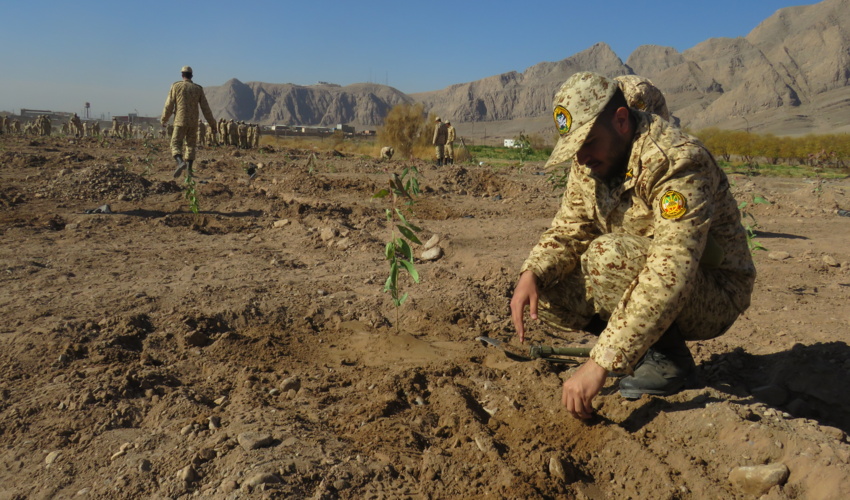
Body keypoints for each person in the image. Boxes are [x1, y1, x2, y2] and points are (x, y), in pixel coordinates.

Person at [509, 72, 755, 419]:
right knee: (546, 290)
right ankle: (641, 349)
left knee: (607, 257)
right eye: (575, 148)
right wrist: (532, 272)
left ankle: (669, 361)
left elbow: (672, 269)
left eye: (588, 143)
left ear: (621, 121)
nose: (581, 158)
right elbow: (570, 227)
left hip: (712, 289)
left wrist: (601, 362)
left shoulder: (676, 161)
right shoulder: (591, 159)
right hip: (647, 269)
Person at [161, 65, 217, 178]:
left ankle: (180, 162)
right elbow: (206, 108)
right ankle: (189, 171)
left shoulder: (176, 86)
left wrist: (164, 119)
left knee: (175, 144)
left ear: (182, 75)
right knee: (190, 146)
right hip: (193, 123)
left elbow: (169, 105)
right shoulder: (198, 89)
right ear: (191, 75)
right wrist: (212, 124)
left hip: (180, 121)